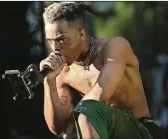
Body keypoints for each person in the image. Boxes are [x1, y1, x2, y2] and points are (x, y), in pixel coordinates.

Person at [40, 2, 162, 139]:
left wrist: (76, 121)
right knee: (70, 132)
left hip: (142, 129)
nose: (55, 48)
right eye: (50, 41)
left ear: (81, 34)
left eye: (61, 39)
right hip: (103, 130)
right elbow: (57, 128)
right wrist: (49, 81)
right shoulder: (63, 71)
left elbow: (100, 97)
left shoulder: (115, 47)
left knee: (85, 115)